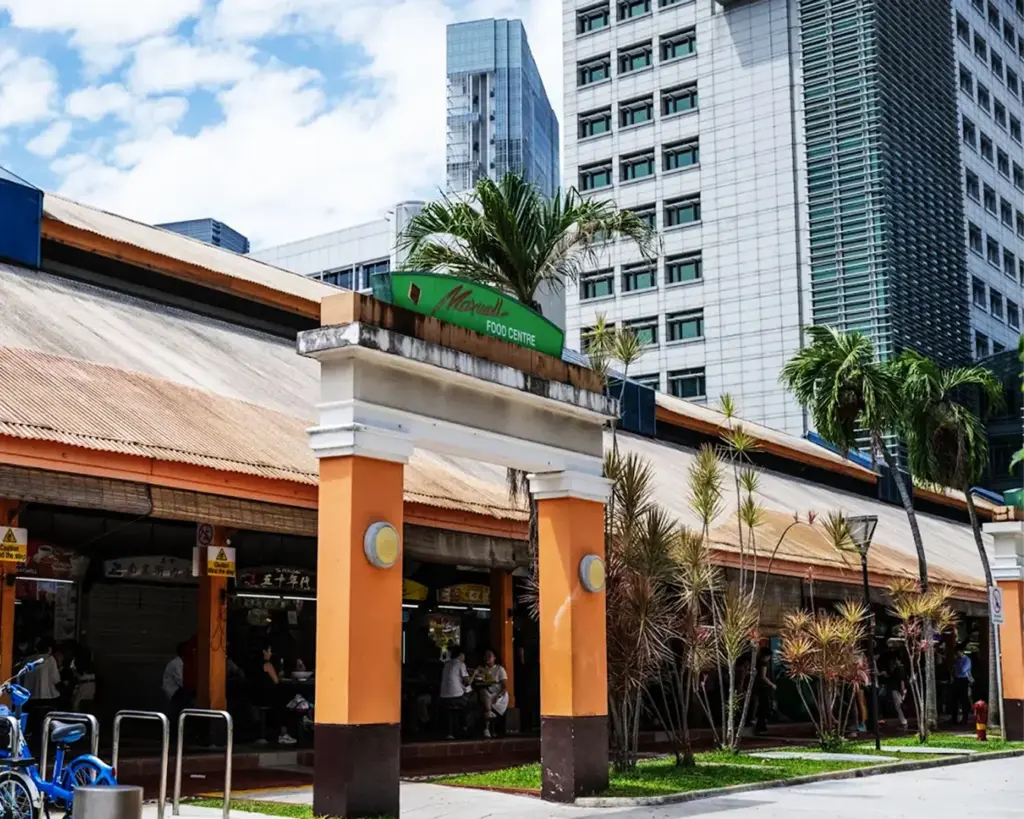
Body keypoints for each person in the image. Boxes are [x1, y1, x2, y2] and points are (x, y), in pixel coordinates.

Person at [257, 645, 297, 745]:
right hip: (267, 696)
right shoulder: (268, 665)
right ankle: (284, 733)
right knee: (287, 702)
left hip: (258, 695)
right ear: (264, 652)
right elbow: (276, 681)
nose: (271, 653)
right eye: (269, 651)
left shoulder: (256, 665)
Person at [474, 650, 509, 739]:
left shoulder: (499, 669)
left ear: (494, 658)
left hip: (499, 695)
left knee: (486, 702)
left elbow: (504, 686)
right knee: (484, 693)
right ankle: (487, 723)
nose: (487, 658)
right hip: (488, 693)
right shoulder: (483, 669)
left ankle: (487, 728)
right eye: (486, 656)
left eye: (490, 656)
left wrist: (498, 696)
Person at [439, 645, 471, 739]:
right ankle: (465, 726)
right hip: (456, 698)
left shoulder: (447, 664)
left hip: (443, 697)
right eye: (464, 656)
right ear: (461, 655)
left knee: (452, 709)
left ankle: (451, 732)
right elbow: (468, 681)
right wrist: (475, 673)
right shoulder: (461, 664)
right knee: (471, 697)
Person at [754, 650, 776, 736]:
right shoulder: (763, 664)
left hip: (760, 687)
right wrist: (772, 684)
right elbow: (763, 676)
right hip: (763, 687)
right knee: (764, 706)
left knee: (762, 706)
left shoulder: (758, 663)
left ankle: (761, 725)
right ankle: (761, 726)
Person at [952, 645, 973, 725]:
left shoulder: (967, 660)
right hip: (956, 680)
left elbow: (963, 670)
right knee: (955, 700)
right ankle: (954, 719)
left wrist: (958, 663)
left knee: (964, 700)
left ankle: (965, 719)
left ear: (961, 652)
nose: (957, 654)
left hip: (964, 680)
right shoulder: (957, 660)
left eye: (957, 652)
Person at [889, 656, 908, 730]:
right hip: (899, 689)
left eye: (896, 660)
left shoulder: (900, 669)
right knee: (899, 706)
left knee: (899, 706)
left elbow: (902, 681)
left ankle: (903, 721)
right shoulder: (899, 669)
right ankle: (903, 721)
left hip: (898, 690)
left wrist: (902, 690)